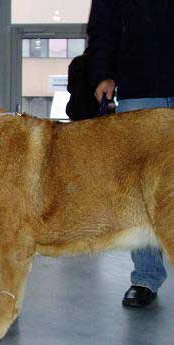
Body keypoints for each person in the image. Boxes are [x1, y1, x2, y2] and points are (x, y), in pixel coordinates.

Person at [87, 0, 173, 307]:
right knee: (142, 190)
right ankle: (146, 278)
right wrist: (102, 74)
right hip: (140, 88)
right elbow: (103, 26)